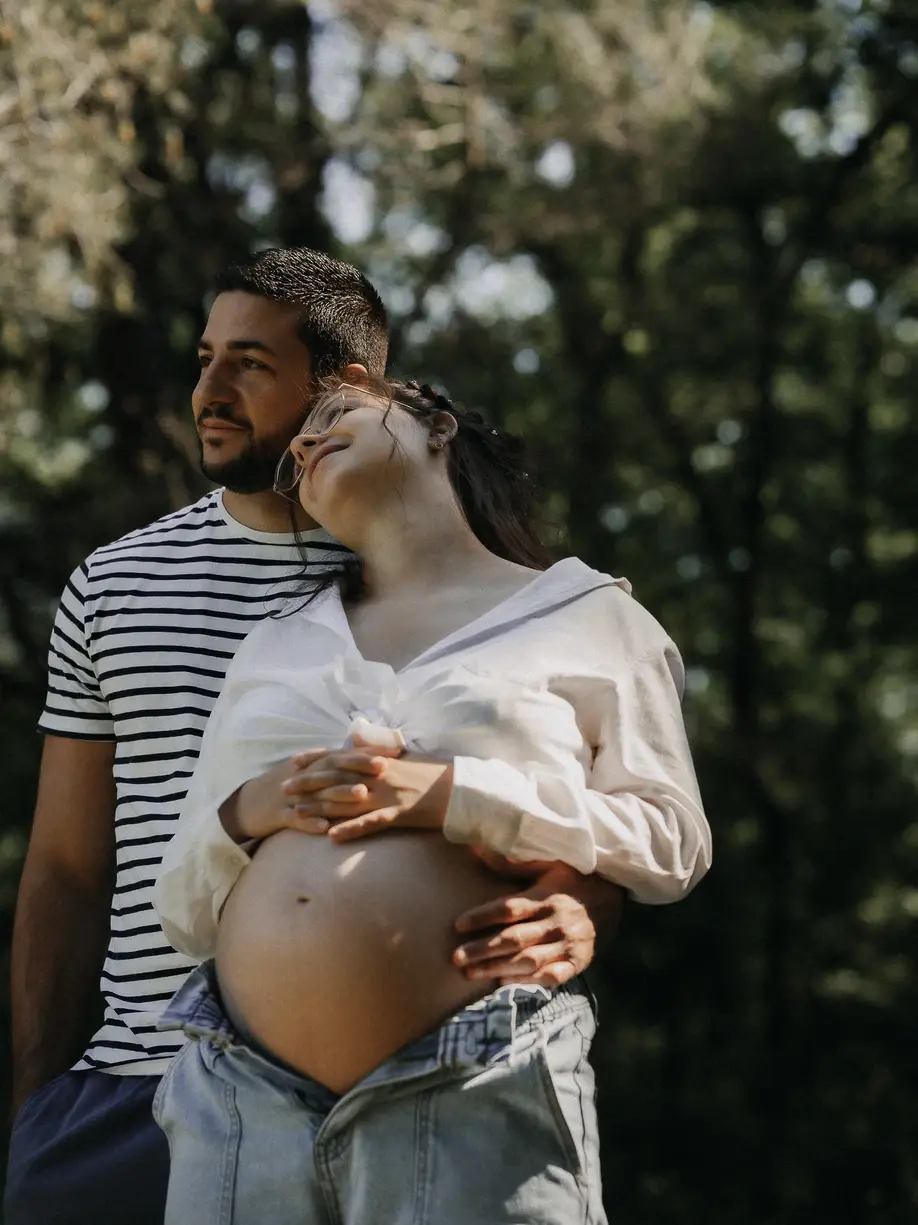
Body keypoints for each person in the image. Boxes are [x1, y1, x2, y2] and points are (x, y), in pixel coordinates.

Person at [5, 251, 624, 1225]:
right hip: (139, 1087)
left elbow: (581, 810)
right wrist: (32, 1107)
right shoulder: (116, 582)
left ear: (351, 387)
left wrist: (585, 904)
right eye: (205, 358)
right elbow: (66, 868)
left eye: (249, 363)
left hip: (420, 1092)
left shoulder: (454, 578)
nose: (209, 391)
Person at [152, 377, 712, 1224]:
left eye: (334, 416)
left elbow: (669, 839)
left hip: (477, 1069)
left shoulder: (591, 612)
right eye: (295, 453)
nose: (303, 446)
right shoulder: (273, 640)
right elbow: (181, 905)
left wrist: (457, 794)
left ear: (438, 424)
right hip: (239, 1096)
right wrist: (254, 807)